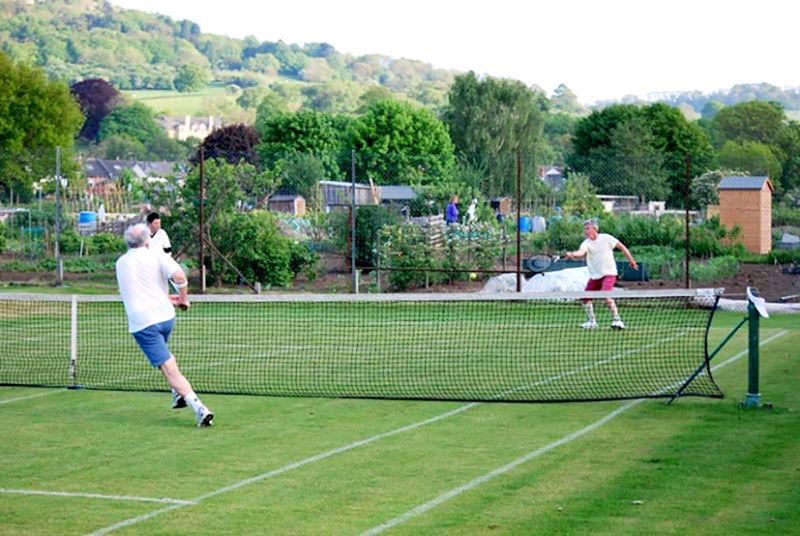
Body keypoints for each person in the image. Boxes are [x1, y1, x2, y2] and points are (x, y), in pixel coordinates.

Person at [116, 223, 214, 427]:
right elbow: (179, 277)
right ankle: (177, 394)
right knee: (168, 360)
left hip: (144, 324)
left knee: (170, 369)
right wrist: (182, 299)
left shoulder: (121, 263)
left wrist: (176, 298)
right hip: (165, 318)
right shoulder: (158, 255)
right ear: (147, 240)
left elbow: (137, 291)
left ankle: (200, 409)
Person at [565, 218, 638, 330]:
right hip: (595, 276)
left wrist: (631, 261)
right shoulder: (586, 243)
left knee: (606, 295)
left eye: (587, 228)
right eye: (584, 229)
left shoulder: (606, 238)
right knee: (585, 298)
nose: (585, 231)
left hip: (609, 273)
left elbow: (622, 247)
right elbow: (581, 252)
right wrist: (573, 254)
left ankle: (617, 320)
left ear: (595, 229)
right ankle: (592, 321)